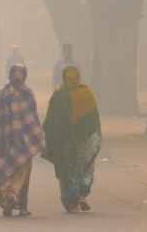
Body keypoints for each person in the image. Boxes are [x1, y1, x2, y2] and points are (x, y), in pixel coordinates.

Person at [0, 64, 46, 217]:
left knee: (6, 170)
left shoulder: (1, 94)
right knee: (24, 174)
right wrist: (40, 139)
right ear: (24, 76)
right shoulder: (28, 94)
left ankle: (9, 197)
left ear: (10, 76)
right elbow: (33, 120)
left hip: (3, 144)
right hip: (24, 144)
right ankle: (22, 206)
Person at [42, 66, 102, 213]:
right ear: (78, 76)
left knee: (69, 170)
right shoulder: (86, 91)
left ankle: (71, 203)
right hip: (87, 140)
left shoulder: (58, 94)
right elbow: (94, 119)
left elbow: (50, 122)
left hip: (67, 143)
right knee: (86, 167)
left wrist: (49, 143)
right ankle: (82, 195)